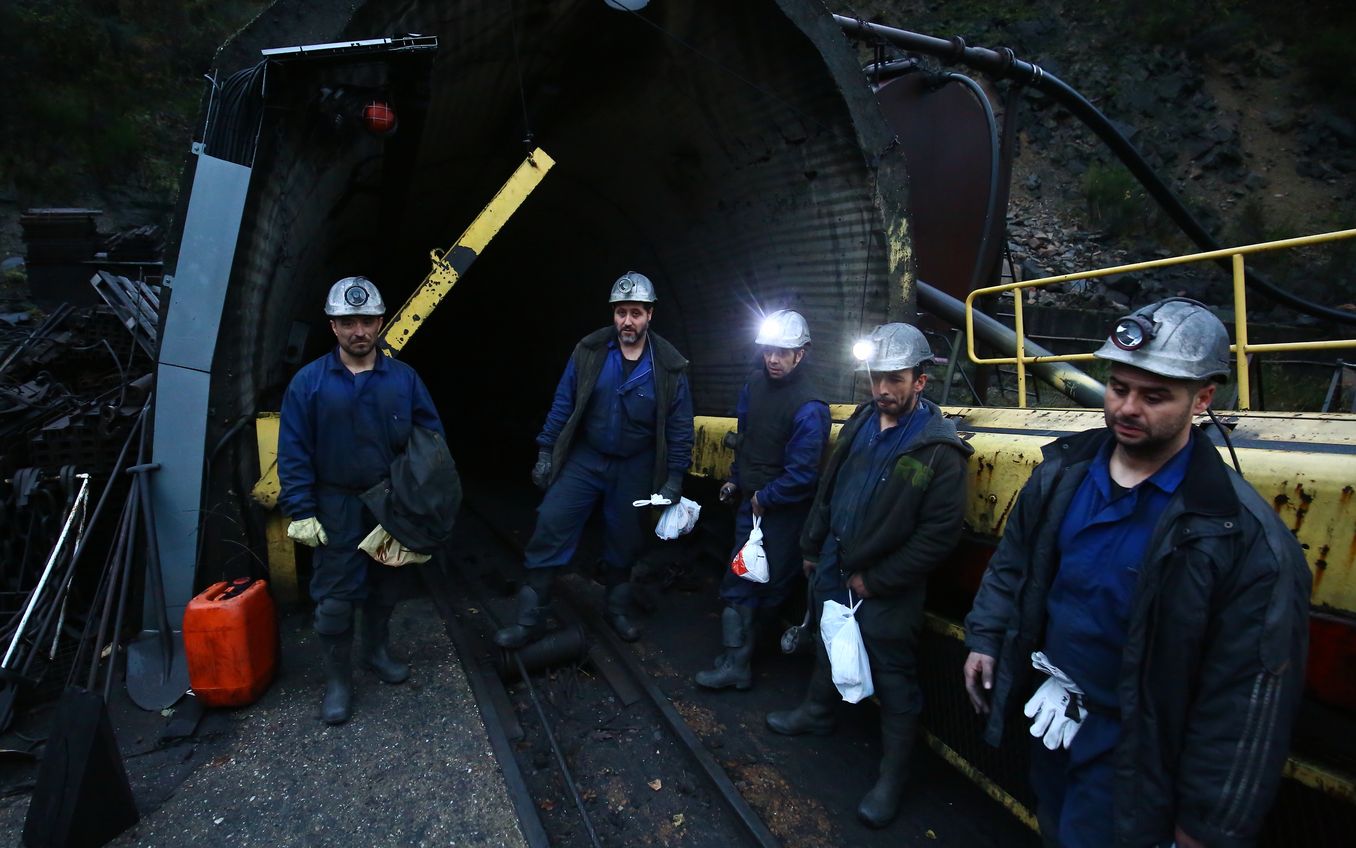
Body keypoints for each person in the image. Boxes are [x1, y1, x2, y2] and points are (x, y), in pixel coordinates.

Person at [961, 298, 1311, 848]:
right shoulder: (1064, 476)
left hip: (1136, 758)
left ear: (1203, 398)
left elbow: (1246, 698)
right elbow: (1016, 563)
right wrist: (984, 636)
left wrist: (1207, 827)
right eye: (1120, 387)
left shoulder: (1239, 538)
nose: (1126, 408)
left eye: (1154, 397)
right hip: (1053, 715)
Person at [766, 322, 973, 828]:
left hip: (887, 582)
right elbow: (831, 487)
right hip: (837, 560)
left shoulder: (938, 450)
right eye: (876, 377)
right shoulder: (861, 420)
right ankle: (817, 712)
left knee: (894, 675)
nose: (882, 389)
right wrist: (813, 545)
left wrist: (879, 580)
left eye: (895, 379)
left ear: (920, 381)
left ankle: (892, 778)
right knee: (827, 633)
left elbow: (938, 535)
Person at [494, 271, 694, 647]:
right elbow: (563, 403)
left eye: (636, 312)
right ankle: (529, 620)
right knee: (552, 520)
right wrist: (545, 450)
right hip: (587, 457)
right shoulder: (589, 352)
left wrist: (675, 477)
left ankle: (615, 610)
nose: (627, 321)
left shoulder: (669, 365)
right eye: (621, 312)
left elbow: (680, 425)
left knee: (625, 536)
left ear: (650, 314)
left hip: (635, 462)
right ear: (613, 314)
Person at [278, 276, 444, 725]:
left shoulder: (404, 380)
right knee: (334, 599)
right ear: (332, 326)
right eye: (348, 321)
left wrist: (422, 499)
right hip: (335, 505)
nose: (359, 330)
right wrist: (302, 508)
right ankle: (338, 680)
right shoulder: (308, 383)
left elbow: (431, 443)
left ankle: (376, 652)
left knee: (386, 587)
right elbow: (293, 448)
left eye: (367, 320)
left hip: (389, 503)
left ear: (380, 322)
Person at [695, 310, 829, 690]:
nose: (773, 358)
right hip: (752, 505)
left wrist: (765, 498)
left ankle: (740, 663)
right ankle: (739, 658)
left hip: (780, 515)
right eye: (769, 350)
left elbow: (803, 474)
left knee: (757, 584)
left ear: (800, 354)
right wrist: (737, 482)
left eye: (782, 352)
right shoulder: (754, 385)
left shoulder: (809, 405)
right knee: (743, 578)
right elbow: (749, 442)